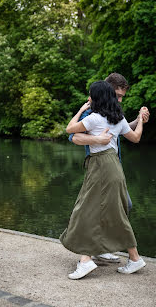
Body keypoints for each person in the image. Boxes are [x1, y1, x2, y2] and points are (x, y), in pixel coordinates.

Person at [60, 80, 146, 280]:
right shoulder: (118, 118)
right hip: (114, 166)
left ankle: (86, 260)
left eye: (91, 96)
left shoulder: (94, 119)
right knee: (113, 213)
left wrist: (81, 110)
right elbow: (135, 138)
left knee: (86, 211)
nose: (89, 98)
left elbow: (69, 130)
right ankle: (134, 258)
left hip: (101, 166)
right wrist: (141, 120)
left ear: (97, 98)